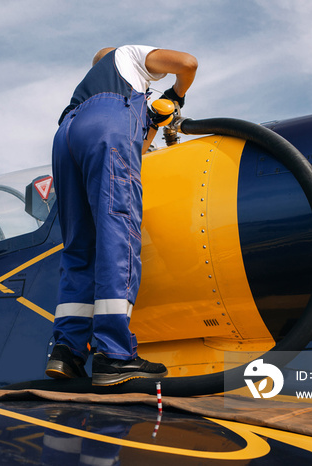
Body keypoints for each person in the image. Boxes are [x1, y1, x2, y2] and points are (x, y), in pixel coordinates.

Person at [46, 45, 198, 386]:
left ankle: (67, 352)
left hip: (66, 137)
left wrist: (154, 121)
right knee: (118, 235)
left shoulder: (93, 90)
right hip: (106, 127)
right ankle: (114, 355)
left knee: (79, 245)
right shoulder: (126, 54)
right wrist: (176, 95)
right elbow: (188, 64)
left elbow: (138, 148)